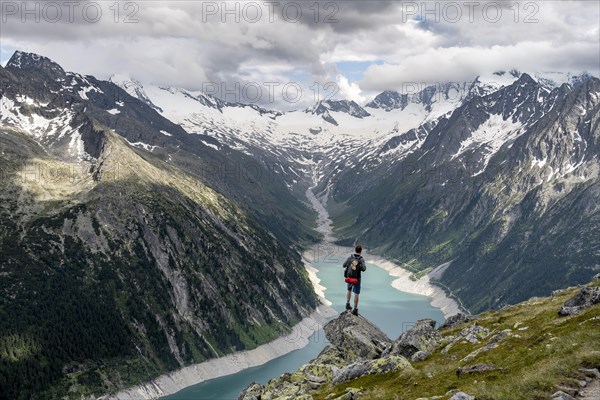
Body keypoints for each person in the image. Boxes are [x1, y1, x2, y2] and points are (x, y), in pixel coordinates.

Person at [343, 244, 366, 316]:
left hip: (349, 278)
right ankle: (355, 309)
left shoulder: (350, 257)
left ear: (355, 250)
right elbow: (364, 269)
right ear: (361, 251)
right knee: (356, 294)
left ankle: (347, 304)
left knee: (349, 290)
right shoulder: (361, 259)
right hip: (357, 279)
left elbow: (344, 265)